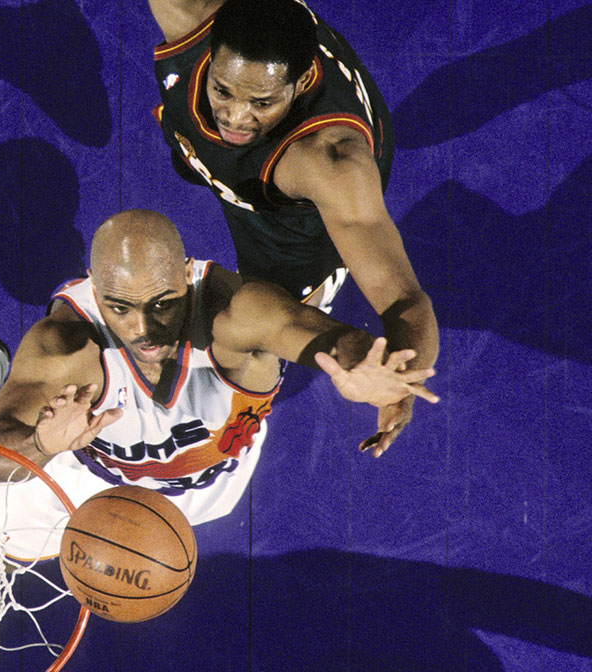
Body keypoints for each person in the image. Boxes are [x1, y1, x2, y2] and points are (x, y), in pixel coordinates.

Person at [0, 209, 437, 565]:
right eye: (120, 308)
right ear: (95, 292)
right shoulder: (67, 346)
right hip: (85, 470)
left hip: (206, 477)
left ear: (187, 276)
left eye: (162, 303)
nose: (144, 329)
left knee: (295, 304)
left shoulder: (237, 314)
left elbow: (329, 338)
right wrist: (42, 444)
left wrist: (369, 372)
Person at [147, 0, 438, 456]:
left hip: (295, 231)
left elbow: (405, 300)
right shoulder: (192, 13)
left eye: (261, 102)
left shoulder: (331, 167)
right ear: (212, 48)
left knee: (250, 336)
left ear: (301, 82)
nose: (236, 117)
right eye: (222, 91)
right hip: (238, 161)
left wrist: (399, 381)